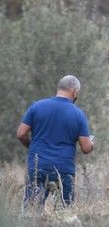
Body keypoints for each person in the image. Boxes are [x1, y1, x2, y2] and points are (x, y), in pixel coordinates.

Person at [16, 75, 94, 208]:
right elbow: (86, 148)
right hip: (63, 170)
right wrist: (91, 143)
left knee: (30, 211)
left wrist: (32, 146)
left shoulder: (37, 106)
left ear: (59, 88)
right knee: (64, 213)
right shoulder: (78, 115)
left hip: (37, 166)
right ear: (75, 92)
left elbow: (21, 134)